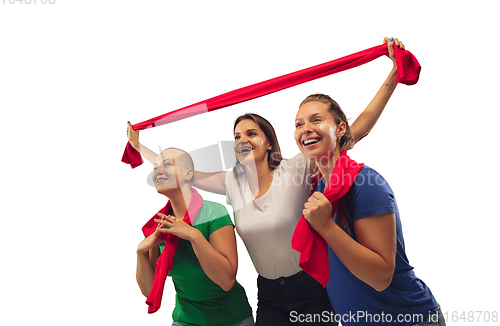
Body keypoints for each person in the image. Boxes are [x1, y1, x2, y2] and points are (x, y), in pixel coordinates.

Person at [128, 37, 405, 325]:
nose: (242, 140)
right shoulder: (231, 184)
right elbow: (179, 171)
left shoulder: (296, 169)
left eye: (251, 133)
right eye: (237, 136)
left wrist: (394, 76)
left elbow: (353, 132)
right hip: (270, 294)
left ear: (269, 143)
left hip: (313, 289)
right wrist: (140, 148)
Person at [294, 93, 445, 326]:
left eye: (316, 120)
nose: (306, 129)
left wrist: (326, 227)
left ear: (340, 129)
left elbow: (381, 276)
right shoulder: (321, 186)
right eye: (299, 124)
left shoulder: (366, 184)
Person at [135, 147, 254, 326]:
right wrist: (141, 253)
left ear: (188, 174)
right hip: (186, 320)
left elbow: (226, 281)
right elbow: (149, 290)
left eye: (167, 164)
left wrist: (194, 236)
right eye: (155, 167)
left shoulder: (214, 212)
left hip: (232, 319)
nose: (158, 171)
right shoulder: (160, 225)